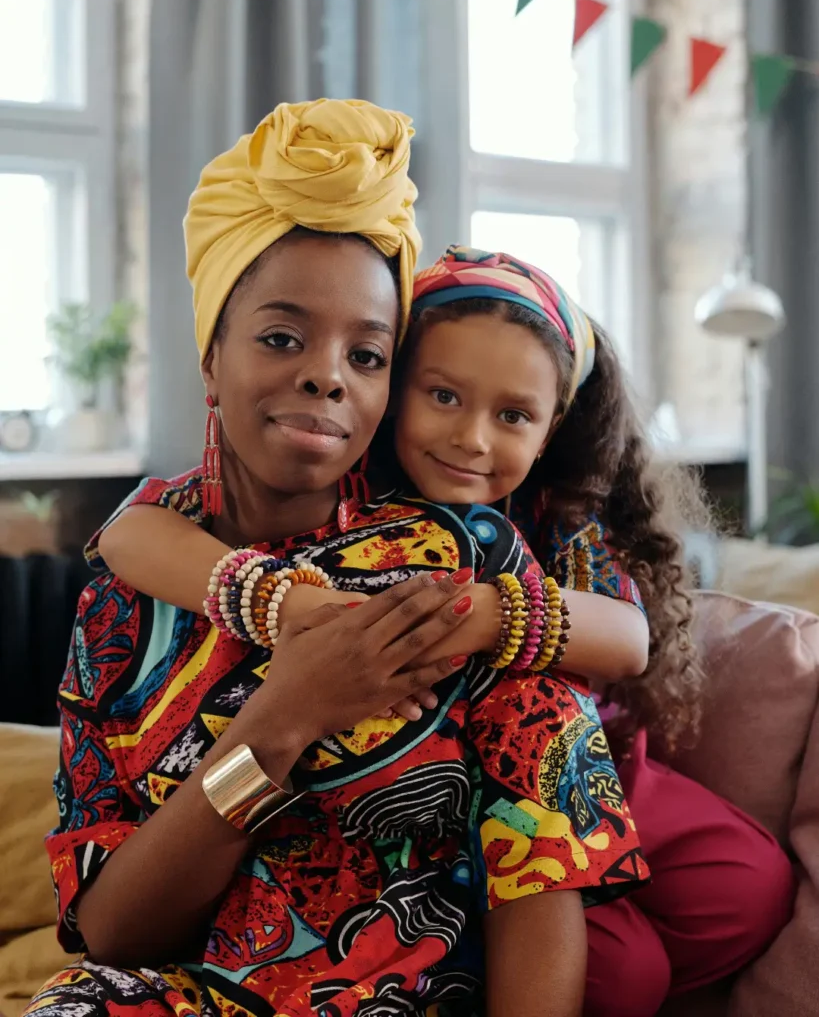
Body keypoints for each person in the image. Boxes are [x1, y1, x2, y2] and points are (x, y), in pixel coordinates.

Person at [25, 100, 646, 1017]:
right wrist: (281, 720)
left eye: (367, 353)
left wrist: (486, 618)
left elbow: (553, 774)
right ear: (210, 357)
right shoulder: (124, 607)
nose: (327, 375)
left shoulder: (452, 564)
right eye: (281, 337)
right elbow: (115, 933)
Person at [91, 244, 794, 1017]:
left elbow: (628, 638)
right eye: (443, 397)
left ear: (551, 422)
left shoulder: (553, 514)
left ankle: (572, 908)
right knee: (623, 975)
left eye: (512, 415)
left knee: (746, 883)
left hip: (590, 773)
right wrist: (283, 605)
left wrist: (484, 614)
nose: (472, 439)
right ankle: (542, 925)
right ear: (393, 391)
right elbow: (129, 534)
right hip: (443, 817)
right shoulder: (348, 500)